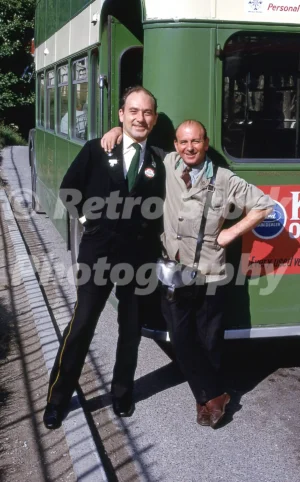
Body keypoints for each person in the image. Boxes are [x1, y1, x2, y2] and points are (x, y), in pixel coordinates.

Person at [101, 119, 274, 428]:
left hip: (210, 272)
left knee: (209, 341)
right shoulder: (166, 164)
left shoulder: (224, 179)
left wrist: (229, 233)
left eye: (195, 142)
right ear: (176, 146)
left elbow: (263, 206)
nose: (189, 148)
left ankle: (204, 401)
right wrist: (118, 132)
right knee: (180, 339)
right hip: (173, 271)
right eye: (183, 142)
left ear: (205, 143)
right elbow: (136, 145)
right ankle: (217, 394)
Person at [43, 86, 166, 429]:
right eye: (134, 111)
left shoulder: (159, 159)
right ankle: (57, 398)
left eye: (147, 113)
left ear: (153, 120)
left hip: (138, 259)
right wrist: (88, 222)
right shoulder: (97, 150)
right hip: (98, 253)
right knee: (81, 325)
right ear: (121, 115)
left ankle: (122, 394)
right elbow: (69, 190)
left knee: (130, 331)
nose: (140, 118)